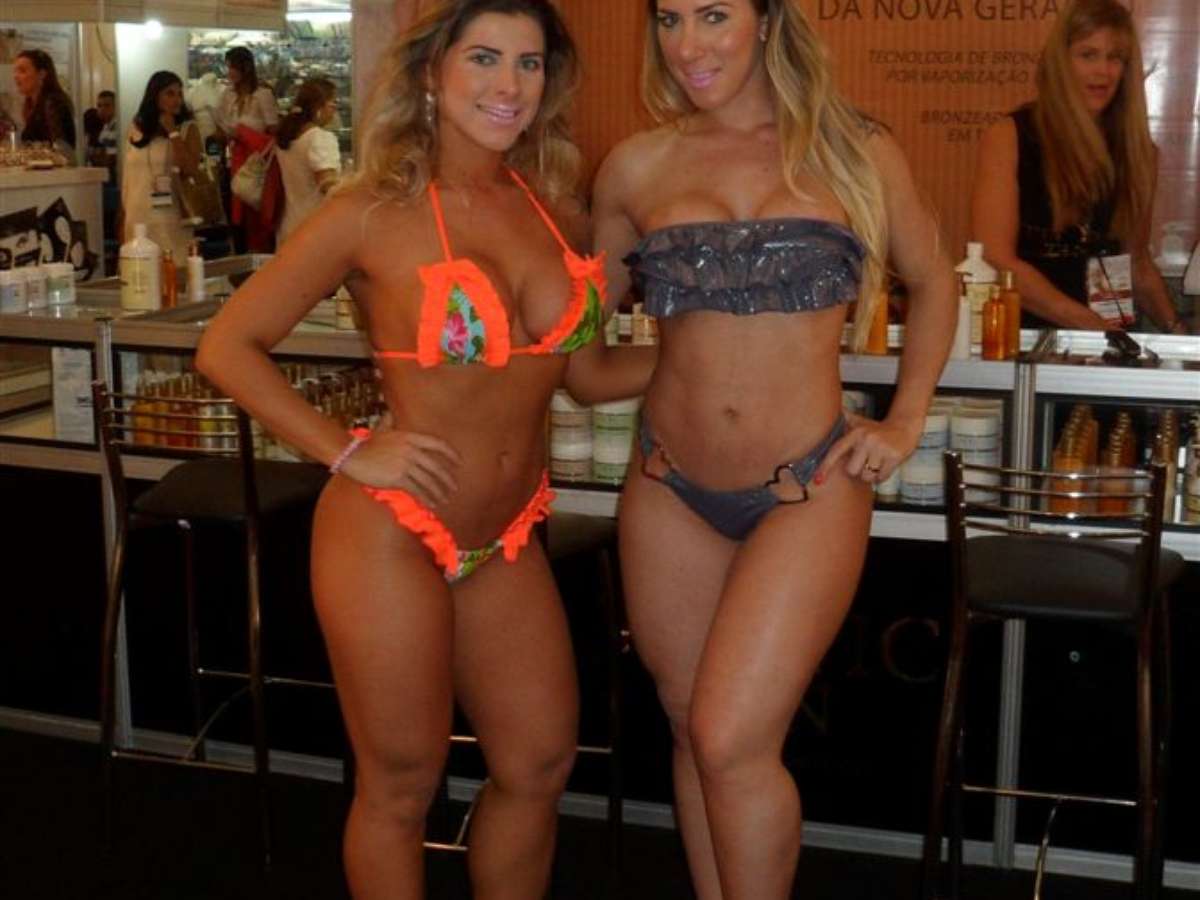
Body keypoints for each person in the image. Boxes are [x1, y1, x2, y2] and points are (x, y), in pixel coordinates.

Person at [196, 2, 649, 897]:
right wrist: (346, 452)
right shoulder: (370, 211)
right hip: (392, 530)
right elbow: (226, 347)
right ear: (433, 74)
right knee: (402, 785)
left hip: (505, 534)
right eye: (484, 58)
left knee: (539, 763)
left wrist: (715, 352)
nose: (508, 85)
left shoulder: (556, 210)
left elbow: (588, 375)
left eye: (528, 63)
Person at [591, 1, 956, 897]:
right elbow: (581, 352)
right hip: (668, 485)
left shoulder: (854, 150)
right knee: (691, 730)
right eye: (669, 19)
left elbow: (935, 280)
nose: (687, 45)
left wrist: (906, 419)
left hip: (808, 485)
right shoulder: (634, 165)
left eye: (714, 14)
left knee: (730, 738)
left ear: (764, 20)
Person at [972, 0, 1189, 334]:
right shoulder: (1010, 136)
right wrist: (1093, 327)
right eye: (1088, 55)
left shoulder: (1139, 152)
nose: (1103, 71)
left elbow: (1136, 263)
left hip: (1109, 340)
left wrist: (1179, 334)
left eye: (1115, 58)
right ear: (1061, 62)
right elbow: (996, 258)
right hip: (1028, 339)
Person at [120, 71, 203, 264]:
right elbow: (127, 177)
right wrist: (122, 214)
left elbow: (190, 169)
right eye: (170, 93)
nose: (177, 99)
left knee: (172, 269)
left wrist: (172, 132)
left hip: (170, 215)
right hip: (137, 213)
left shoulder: (188, 128)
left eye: (179, 94)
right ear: (155, 95)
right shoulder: (136, 127)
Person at [214, 47, 280, 252]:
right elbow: (221, 125)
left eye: (233, 67)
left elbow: (273, 130)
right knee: (237, 208)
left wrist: (247, 135)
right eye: (228, 67)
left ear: (245, 67)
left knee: (255, 209)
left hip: (257, 162)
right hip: (234, 158)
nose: (230, 72)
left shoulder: (262, 95)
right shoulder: (227, 95)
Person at [275, 78, 342, 244]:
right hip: (316, 230)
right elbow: (328, 186)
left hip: (289, 226)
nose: (335, 110)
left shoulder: (287, 136)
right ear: (319, 107)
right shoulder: (320, 138)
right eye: (333, 103)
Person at [13, 50, 75, 152]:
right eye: (15, 71)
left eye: (22, 71)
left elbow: (62, 148)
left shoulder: (53, 102)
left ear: (41, 74)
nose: (15, 76)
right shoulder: (32, 104)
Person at [84, 89, 119, 171]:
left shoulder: (116, 127)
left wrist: (93, 154)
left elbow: (110, 160)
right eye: (99, 106)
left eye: (107, 105)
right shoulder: (106, 126)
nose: (102, 109)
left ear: (116, 107)